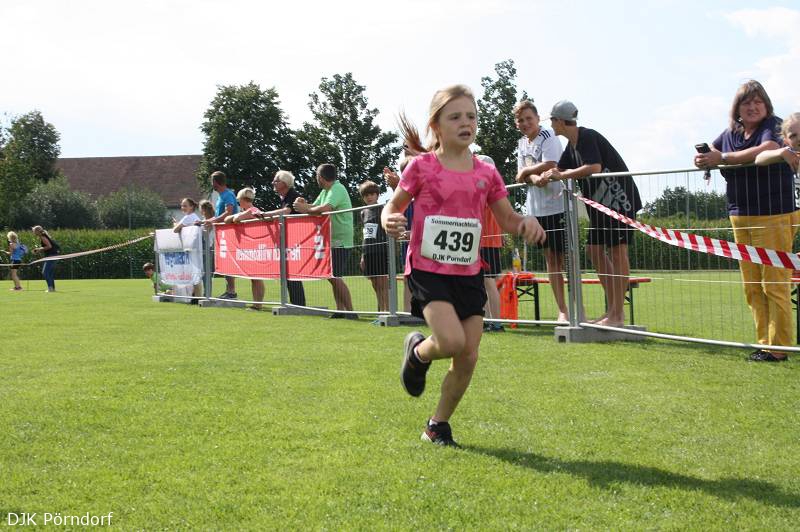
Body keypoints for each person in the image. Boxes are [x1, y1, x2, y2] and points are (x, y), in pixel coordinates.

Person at [382, 84, 545, 446]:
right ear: (436, 126)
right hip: (427, 269)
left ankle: (437, 425)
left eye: (471, 116)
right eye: (455, 117)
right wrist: (389, 219)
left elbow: (507, 218)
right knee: (452, 341)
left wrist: (525, 223)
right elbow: (392, 206)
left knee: (468, 355)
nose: (465, 123)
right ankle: (418, 352)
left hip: (468, 271)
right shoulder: (421, 167)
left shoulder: (486, 173)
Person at [695, 81, 799, 362]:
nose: (753, 107)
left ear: (767, 105)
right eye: (746, 103)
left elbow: (767, 147)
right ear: (737, 109)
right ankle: (764, 344)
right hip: (740, 214)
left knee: (774, 284)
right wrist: (703, 159)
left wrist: (722, 158)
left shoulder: (773, 126)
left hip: (774, 214)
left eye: (758, 101)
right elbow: (713, 151)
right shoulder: (731, 132)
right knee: (752, 286)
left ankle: (779, 349)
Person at [541, 100, 642, 327]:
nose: (551, 125)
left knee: (618, 253)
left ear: (560, 121)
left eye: (552, 121)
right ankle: (612, 310)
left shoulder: (587, 136)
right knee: (593, 250)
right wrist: (545, 175)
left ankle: (617, 315)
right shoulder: (571, 146)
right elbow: (560, 168)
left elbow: (593, 167)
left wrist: (561, 176)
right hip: (600, 208)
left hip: (619, 203)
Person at [513, 99, 569, 322]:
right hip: (537, 211)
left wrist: (528, 172)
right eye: (521, 120)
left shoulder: (548, 136)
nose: (525, 123)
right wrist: (533, 177)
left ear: (538, 118)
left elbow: (551, 163)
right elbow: (520, 175)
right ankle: (563, 310)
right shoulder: (521, 143)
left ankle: (576, 308)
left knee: (566, 260)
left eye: (529, 118)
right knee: (551, 260)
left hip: (558, 206)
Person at [294, 163, 356, 319]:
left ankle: (350, 311)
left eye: (316, 175)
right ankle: (340, 310)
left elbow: (325, 208)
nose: (316, 178)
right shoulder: (326, 191)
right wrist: (303, 205)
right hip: (332, 240)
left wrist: (304, 208)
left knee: (334, 276)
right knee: (333, 276)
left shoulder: (337, 189)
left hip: (341, 241)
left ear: (321, 177)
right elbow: (315, 207)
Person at [257, 170, 306, 307]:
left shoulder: (293, 195)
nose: (273, 183)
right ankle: (295, 303)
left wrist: (266, 214)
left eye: (276, 181)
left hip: (295, 240)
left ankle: (298, 304)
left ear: (284, 183)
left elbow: (287, 211)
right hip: (289, 240)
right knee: (288, 271)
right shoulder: (285, 198)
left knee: (292, 271)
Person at [475, 154, 505, 333]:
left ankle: (496, 322)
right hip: (485, 241)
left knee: (488, 282)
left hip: (487, 241)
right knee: (483, 283)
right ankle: (487, 320)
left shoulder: (488, 189)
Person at [226, 187, 265, 311]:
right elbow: (228, 219)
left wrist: (237, 217)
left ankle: (257, 305)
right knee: (253, 277)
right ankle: (256, 304)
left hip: (256, 248)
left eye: (239, 200)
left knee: (256, 277)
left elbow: (235, 219)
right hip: (249, 248)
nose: (238, 202)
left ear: (243, 199)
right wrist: (237, 217)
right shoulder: (247, 211)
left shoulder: (253, 210)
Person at [203, 171, 239, 299]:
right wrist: (205, 221)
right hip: (222, 234)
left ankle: (232, 292)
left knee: (228, 263)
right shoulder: (221, 196)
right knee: (224, 263)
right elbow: (218, 216)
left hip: (229, 234)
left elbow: (228, 212)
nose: (211, 184)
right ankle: (229, 291)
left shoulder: (228, 194)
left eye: (211, 181)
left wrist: (212, 221)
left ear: (215, 182)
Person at [358, 180, 389, 316]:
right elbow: (365, 234)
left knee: (382, 283)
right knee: (375, 283)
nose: (369, 197)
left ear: (377, 195)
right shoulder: (362, 212)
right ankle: (381, 312)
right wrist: (362, 256)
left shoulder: (383, 208)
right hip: (368, 251)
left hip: (381, 250)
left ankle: (387, 311)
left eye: (372, 194)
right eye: (366, 195)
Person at [32, 225, 60, 293]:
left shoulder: (42, 237)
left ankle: (50, 288)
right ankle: (52, 288)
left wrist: (39, 249)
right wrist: (39, 249)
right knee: (50, 273)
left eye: (34, 231)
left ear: (37, 231)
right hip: (54, 255)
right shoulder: (44, 236)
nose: (33, 233)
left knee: (45, 272)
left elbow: (49, 246)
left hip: (51, 256)